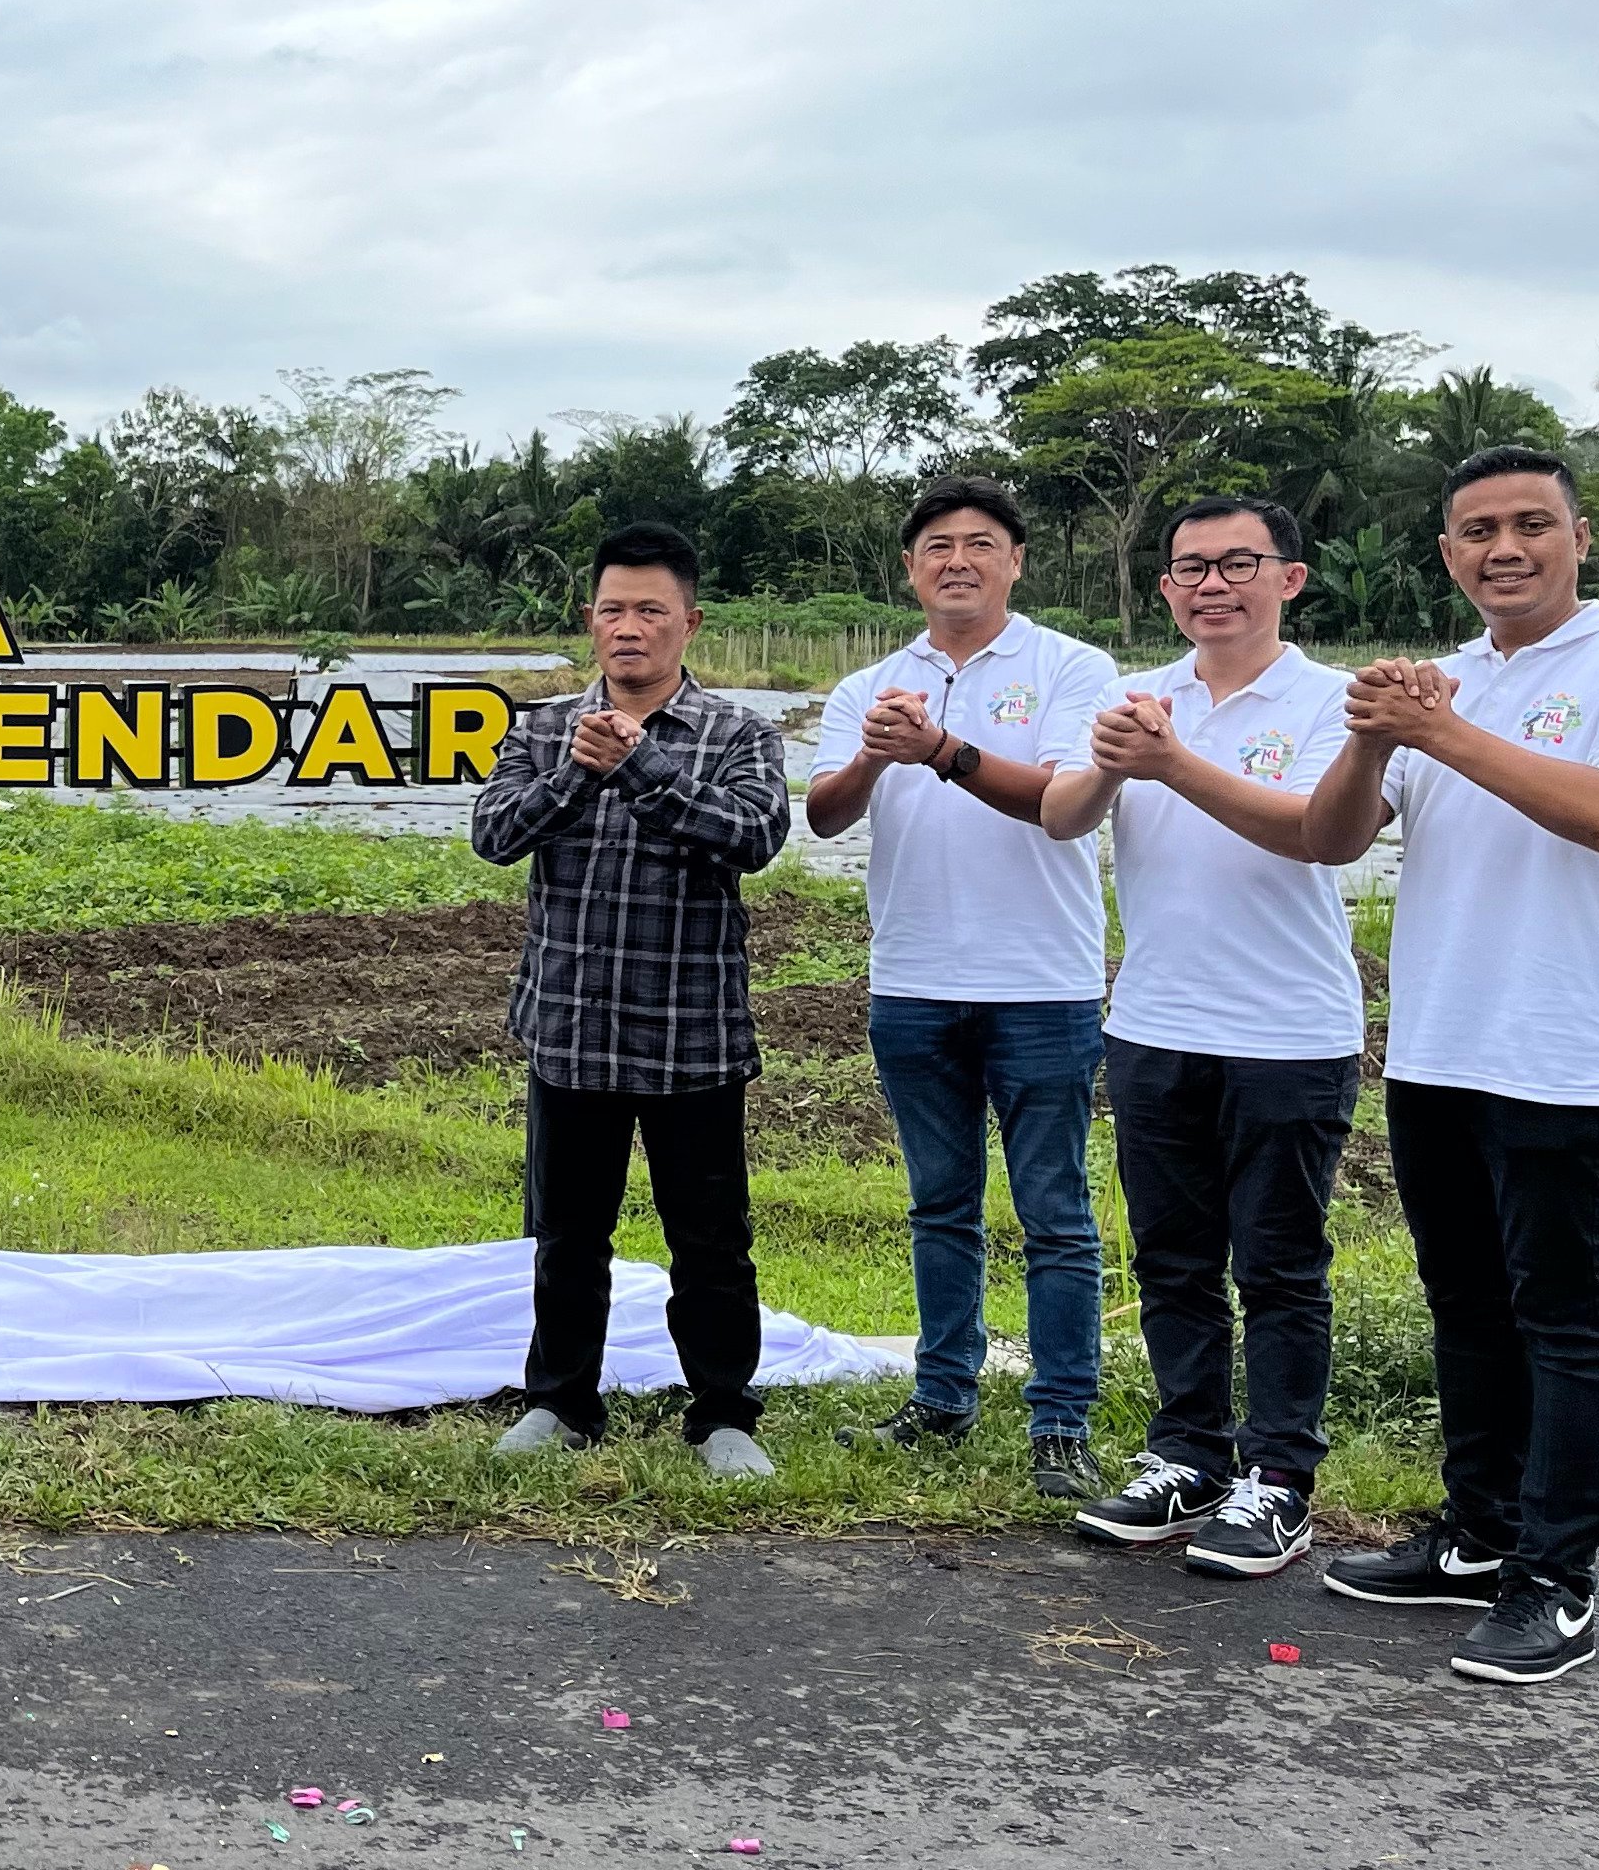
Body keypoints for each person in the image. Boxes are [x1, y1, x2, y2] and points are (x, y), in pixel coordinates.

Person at [1298, 447, 1599, 1685]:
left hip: (1568, 1050)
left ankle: (1557, 1579)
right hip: (1439, 1045)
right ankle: (1480, 1540)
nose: (1505, 548)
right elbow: (1329, 842)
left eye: (1531, 525)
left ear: (1579, 538)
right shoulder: (1438, 685)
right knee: (1471, 1311)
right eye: (1479, 530)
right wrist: (1378, 743)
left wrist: (1441, 727)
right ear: (1447, 553)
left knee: (1567, 1316)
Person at [1038, 498, 1361, 1576]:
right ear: (1166, 588)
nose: (1212, 584)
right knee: (1173, 1260)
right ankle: (1187, 1453)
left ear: (1290, 578)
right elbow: (1065, 817)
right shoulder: (1143, 699)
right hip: (1155, 1023)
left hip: (1288, 1031)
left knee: (1278, 1265)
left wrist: (1172, 764)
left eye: (1237, 563)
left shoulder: (1330, 703)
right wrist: (1119, 761)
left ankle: (1278, 1477)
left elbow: (1316, 832)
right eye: (1190, 569)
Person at [806, 478, 1120, 1497]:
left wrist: (940, 750)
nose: (957, 561)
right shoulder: (870, 686)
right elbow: (821, 816)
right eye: (936, 546)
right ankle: (942, 1395)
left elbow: (1063, 803)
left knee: (1055, 1211)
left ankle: (1062, 1417)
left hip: (1041, 984)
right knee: (940, 1205)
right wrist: (874, 753)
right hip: (912, 982)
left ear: (1016, 562)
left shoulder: (1074, 668)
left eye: (980, 544)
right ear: (909, 569)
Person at [471, 524, 793, 1477]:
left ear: (689, 622)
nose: (629, 627)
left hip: (690, 1029)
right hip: (571, 1023)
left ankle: (724, 1413)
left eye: (651, 610)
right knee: (569, 1233)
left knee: (712, 1240)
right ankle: (560, 1402)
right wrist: (579, 767)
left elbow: (753, 837)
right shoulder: (538, 729)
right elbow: (493, 835)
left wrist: (640, 767)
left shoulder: (738, 734)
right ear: (591, 620)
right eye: (613, 609)